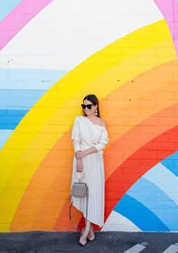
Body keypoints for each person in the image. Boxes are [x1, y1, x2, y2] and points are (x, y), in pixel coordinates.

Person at [70, 94, 109, 246]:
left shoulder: (101, 123)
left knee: (94, 194)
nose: (86, 109)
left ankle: (86, 230)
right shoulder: (79, 121)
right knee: (83, 194)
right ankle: (89, 230)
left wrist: (85, 153)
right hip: (81, 160)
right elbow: (76, 140)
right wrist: (79, 160)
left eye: (89, 106)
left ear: (96, 107)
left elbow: (103, 143)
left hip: (95, 161)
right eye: (84, 106)